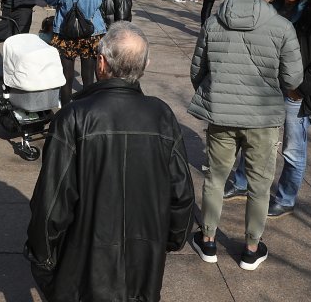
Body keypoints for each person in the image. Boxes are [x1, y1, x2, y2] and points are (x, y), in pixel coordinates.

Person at [26, 21, 194, 302]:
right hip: (143, 260)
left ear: (101, 63)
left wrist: (41, 254)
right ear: (145, 65)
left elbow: (52, 201)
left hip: (84, 263)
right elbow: (181, 194)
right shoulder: (162, 115)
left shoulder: (74, 116)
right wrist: (171, 239)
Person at [188, 0, 304, 271]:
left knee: (215, 178)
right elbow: (293, 79)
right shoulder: (282, 28)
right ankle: (251, 248)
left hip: (222, 114)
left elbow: (197, 70)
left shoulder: (214, 22)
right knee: (259, 184)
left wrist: (214, 91)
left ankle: (209, 240)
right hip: (263, 118)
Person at [227, 0, 311, 217]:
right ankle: (242, 181)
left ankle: (286, 197)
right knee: (253, 137)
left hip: (296, 92)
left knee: (292, 147)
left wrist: (300, 89)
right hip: (267, 85)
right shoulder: (272, 7)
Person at [45, 0, 108, 106]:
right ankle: (86, 108)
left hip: (66, 33)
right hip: (91, 33)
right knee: (88, 77)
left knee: (66, 77)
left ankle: (66, 110)